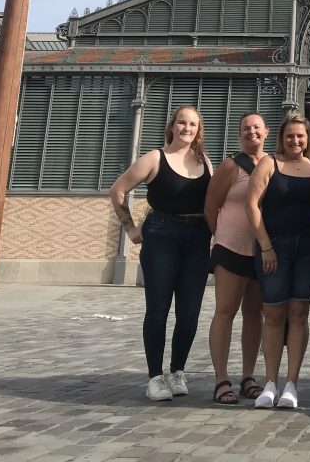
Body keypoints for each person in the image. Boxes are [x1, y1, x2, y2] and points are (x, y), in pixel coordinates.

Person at [109, 105, 213, 401]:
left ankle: (177, 371)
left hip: (198, 238)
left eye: (193, 124)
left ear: (198, 130)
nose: (187, 128)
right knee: (158, 309)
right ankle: (155, 377)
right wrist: (130, 228)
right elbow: (117, 190)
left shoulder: (205, 161)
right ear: (172, 126)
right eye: (182, 122)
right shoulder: (155, 158)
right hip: (162, 236)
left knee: (189, 312)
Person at [245, 114, 310, 409]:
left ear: (308, 138)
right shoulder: (269, 163)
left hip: (308, 247)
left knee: (299, 313)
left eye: (300, 135)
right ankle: (270, 383)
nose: (295, 140)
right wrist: (265, 245)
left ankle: (291, 384)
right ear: (281, 138)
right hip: (275, 246)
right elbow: (251, 205)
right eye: (290, 135)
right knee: (274, 313)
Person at [204, 112, 268, 405]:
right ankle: (221, 380)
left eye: (256, 127)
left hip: (260, 251)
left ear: (266, 132)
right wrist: (222, 236)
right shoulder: (231, 166)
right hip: (231, 249)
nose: (251, 132)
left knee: (255, 314)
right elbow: (211, 206)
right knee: (225, 312)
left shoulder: (272, 164)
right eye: (246, 128)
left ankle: (248, 377)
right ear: (240, 133)